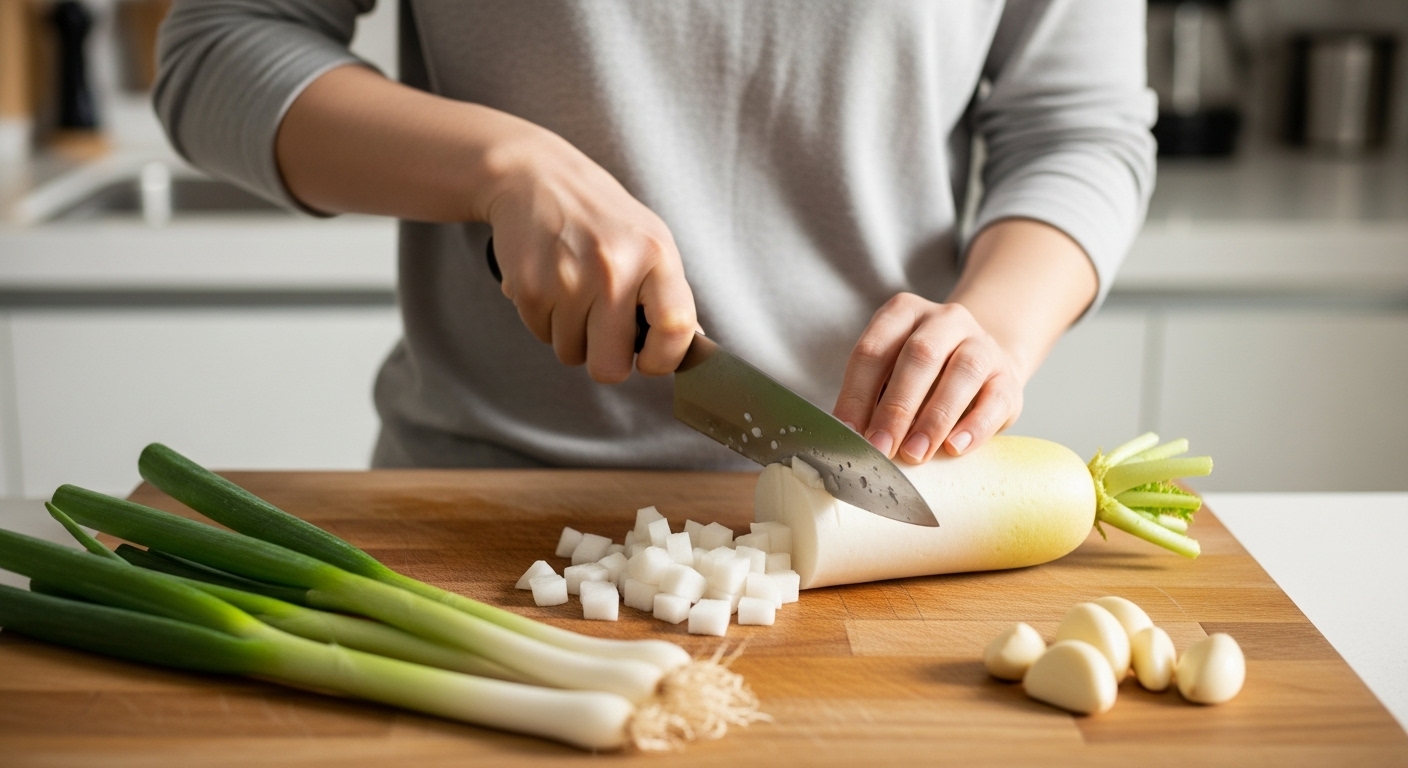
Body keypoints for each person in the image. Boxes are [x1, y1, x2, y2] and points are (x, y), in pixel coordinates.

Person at [154, 1, 1155, 471]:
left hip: (875, 498)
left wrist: (994, 328)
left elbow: (1079, 127)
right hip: (476, 507)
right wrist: (502, 167)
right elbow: (219, 46)